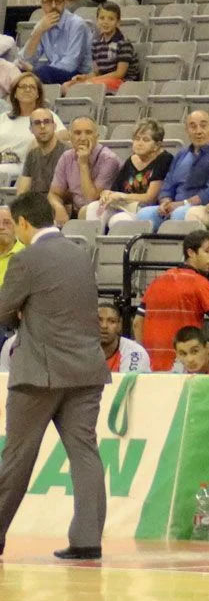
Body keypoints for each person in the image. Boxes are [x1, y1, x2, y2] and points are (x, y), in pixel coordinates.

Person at [0, 191, 111, 562]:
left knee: (17, 456)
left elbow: (3, 311)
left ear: (24, 223)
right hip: (87, 368)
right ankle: (87, 539)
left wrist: (20, 316)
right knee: (85, 452)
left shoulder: (26, 259)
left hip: (39, 374)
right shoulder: (81, 254)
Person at [141, 110, 209, 227]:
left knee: (180, 214)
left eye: (203, 125)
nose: (198, 131)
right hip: (175, 205)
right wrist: (165, 202)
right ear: (186, 130)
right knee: (143, 215)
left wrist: (183, 203)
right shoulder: (181, 154)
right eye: (193, 127)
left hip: (202, 206)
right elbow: (168, 185)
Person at [87, 118, 168, 223]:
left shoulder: (164, 159)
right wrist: (107, 194)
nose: (139, 143)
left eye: (146, 140)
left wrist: (121, 196)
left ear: (157, 145)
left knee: (119, 219)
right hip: (125, 204)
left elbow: (150, 198)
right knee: (94, 207)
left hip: (145, 209)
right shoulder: (131, 160)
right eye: (137, 139)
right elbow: (116, 190)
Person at [47, 116, 120, 227]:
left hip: (104, 210)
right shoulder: (66, 157)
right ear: (70, 137)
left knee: (88, 210)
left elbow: (91, 199)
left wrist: (83, 164)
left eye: (88, 132)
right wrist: (58, 208)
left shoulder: (109, 159)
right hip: (76, 212)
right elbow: (54, 193)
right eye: (77, 133)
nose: (83, 138)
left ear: (97, 136)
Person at [21, 0, 93, 85]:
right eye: (49, 2)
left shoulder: (77, 24)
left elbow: (70, 64)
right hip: (54, 73)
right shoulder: (42, 24)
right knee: (19, 71)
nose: (54, 5)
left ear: (64, 2)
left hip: (79, 74)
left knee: (44, 72)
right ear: (42, 4)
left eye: (58, 1)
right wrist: (38, 31)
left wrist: (34, 71)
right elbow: (25, 59)